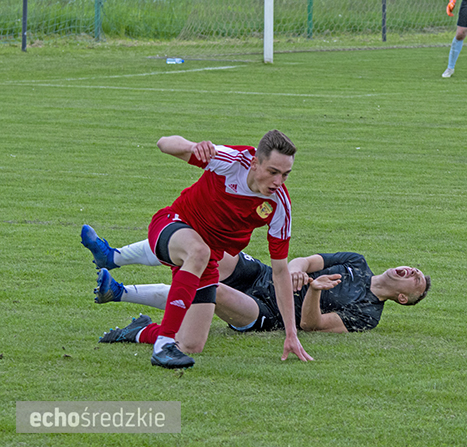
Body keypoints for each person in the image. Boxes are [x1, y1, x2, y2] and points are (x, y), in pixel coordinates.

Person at [117, 130, 309, 369]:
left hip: (205, 259)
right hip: (172, 223)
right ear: (254, 163)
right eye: (272, 172)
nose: (278, 182)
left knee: (190, 344)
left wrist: (291, 332)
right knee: (199, 251)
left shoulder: (279, 205)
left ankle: (140, 331)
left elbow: (280, 271)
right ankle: (162, 342)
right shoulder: (230, 161)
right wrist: (193, 146)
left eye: (285, 175)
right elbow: (164, 143)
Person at [81, 229, 430, 334]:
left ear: (403, 299)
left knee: (211, 289)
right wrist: (294, 269)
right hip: (266, 276)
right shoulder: (358, 262)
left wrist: (312, 290)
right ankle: (112, 256)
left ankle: (120, 293)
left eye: (415, 280)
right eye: (414, 268)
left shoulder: (368, 315)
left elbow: (311, 324)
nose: (411, 271)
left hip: (269, 312)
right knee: (208, 247)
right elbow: (308, 261)